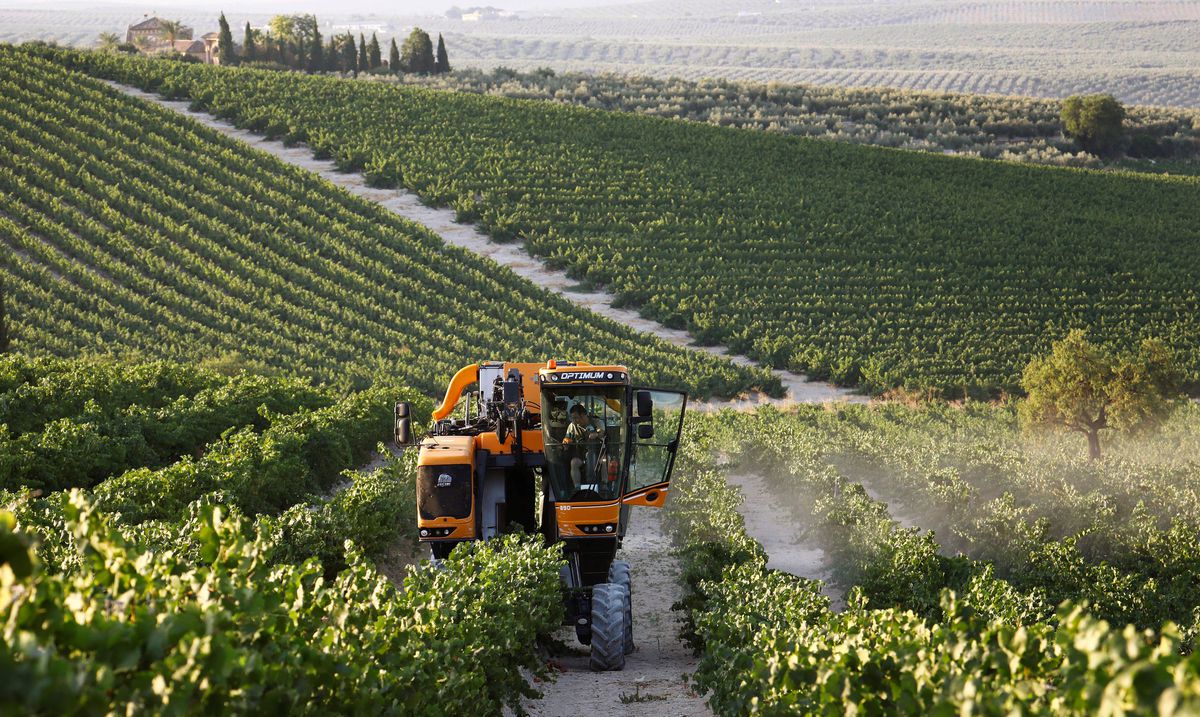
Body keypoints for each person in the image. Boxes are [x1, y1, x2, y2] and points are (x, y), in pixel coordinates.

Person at [563, 403, 602, 485]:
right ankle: (577, 488)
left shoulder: (597, 422)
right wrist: (566, 443)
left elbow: (602, 432)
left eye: (576, 418)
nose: (574, 420)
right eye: (572, 418)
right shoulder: (572, 426)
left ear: (584, 415)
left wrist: (596, 434)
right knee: (574, 462)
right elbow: (567, 438)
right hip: (581, 454)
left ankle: (604, 485)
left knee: (605, 461)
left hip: (599, 453)